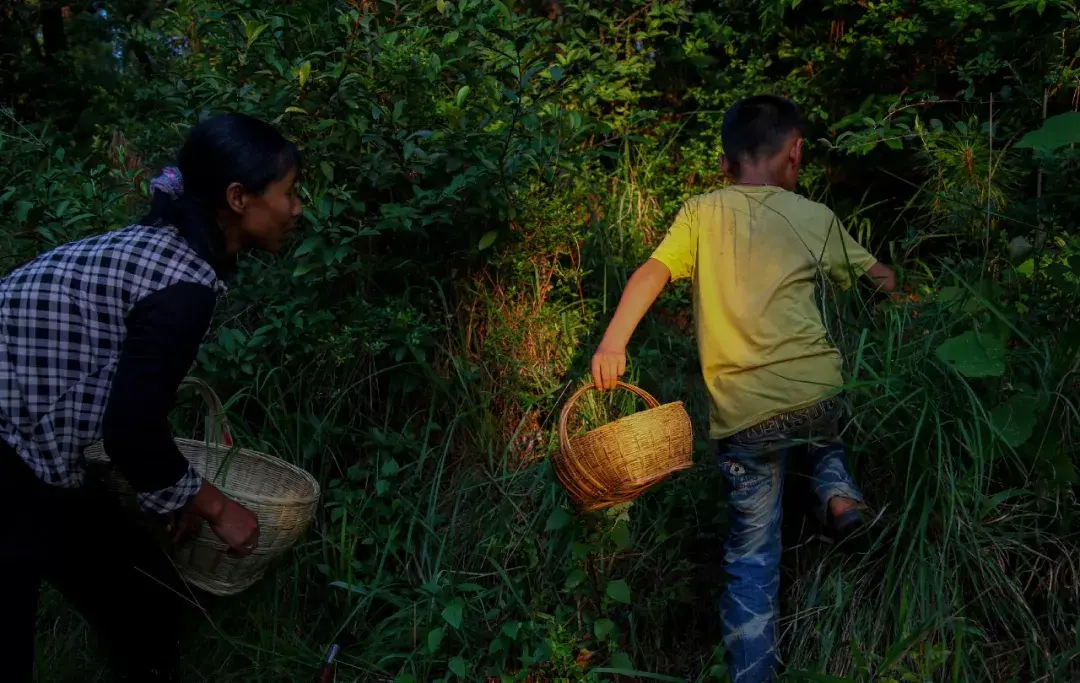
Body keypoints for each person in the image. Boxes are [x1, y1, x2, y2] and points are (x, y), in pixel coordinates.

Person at [590, 95, 897, 683]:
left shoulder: (701, 212)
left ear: (726, 166)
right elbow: (878, 279)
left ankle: (754, 675)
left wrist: (613, 342)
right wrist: (902, 290)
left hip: (746, 419)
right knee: (824, 429)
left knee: (753, 555)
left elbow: (652, 270)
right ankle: (838, 495)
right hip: (816, 391)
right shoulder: (813, 216)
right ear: (795, 153)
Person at [0, 113, 303, 682]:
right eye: (288, 193)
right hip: (10, 447)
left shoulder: (167, 254)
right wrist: (216, 506)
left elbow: (132, 410)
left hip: (26, 442)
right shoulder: (181, 286)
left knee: (135, 599)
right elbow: (132, 430)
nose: (296, 209)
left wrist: (171, 495)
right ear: (239, 198)